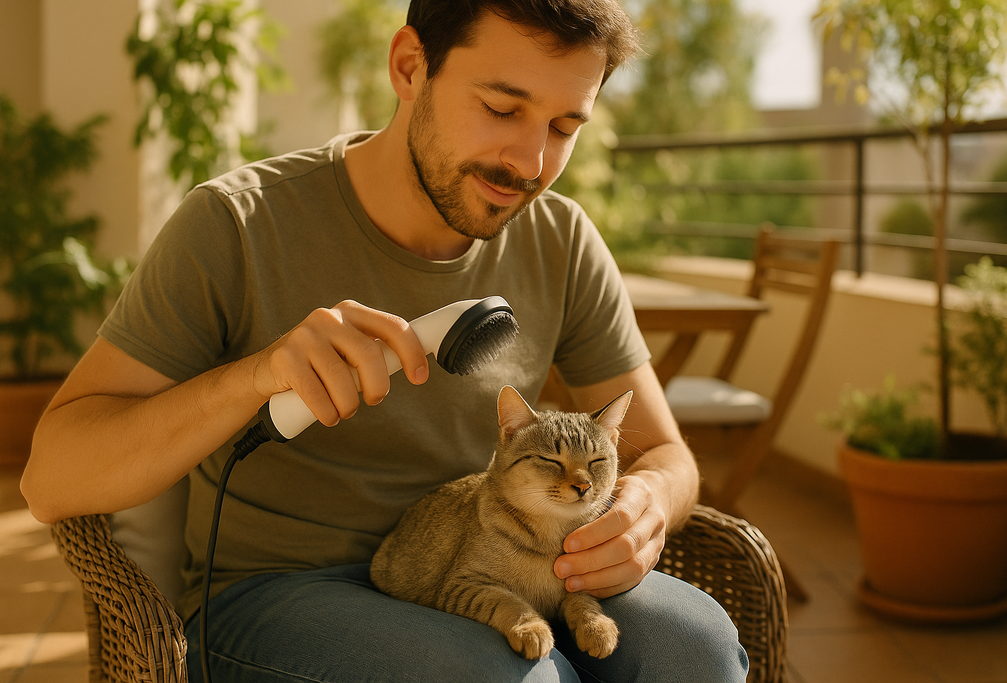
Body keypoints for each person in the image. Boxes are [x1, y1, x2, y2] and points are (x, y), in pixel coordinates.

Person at [22, 1, 749, 681]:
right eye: (501, 108)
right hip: (279, 593)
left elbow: (667, 452)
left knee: (698, 649)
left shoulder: (563, 241)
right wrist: (257, 376)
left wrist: (650, 501)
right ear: (409, 66)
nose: (530, 163)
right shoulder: (235, 225)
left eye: (563, 127)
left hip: (505, 560)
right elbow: (49, 478)